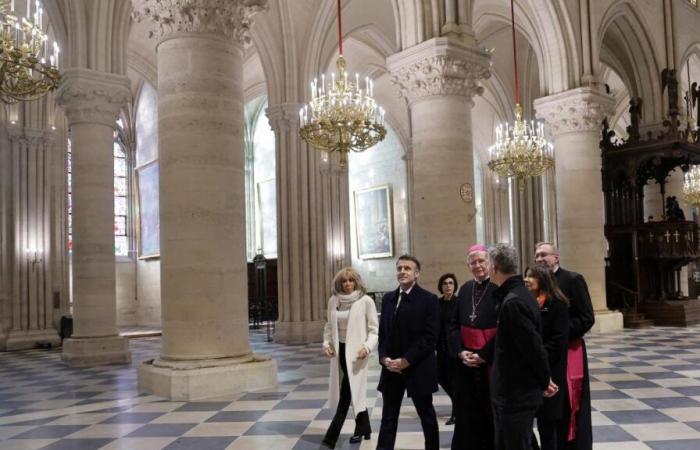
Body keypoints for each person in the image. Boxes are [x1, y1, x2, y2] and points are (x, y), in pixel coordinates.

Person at [466, 243, 556, 450]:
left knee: (514, 444)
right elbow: (507, 337)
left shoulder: (513, 301)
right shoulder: (517, 295)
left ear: (494, 268)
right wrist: (484, 355)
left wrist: (545, 380)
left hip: (515, 391)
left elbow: (533, 348)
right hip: (515, 390)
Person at [377, 255, 441, 450]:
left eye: (407, 268)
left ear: (417, 273)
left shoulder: (428, 300)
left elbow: (430, 338)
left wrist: (406, 360)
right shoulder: (388, 298)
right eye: (399, 268)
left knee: (427, 417)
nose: (402, 271)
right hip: (391, 369)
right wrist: (384, 358)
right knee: (388, 418)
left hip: (418, 367)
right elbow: (383, 334)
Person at [535, 242, 594, 450]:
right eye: (537, 256)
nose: (540, 259)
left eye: (544, 255)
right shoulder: (537, 284)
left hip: (570, 352)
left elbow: (587, 318)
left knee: (570, 406)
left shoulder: (572, 279)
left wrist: (559, 334)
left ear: (556, 257)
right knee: (548, 404)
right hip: (545, 352)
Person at [322, 267, 379, 449]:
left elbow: (374, 330)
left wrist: (367, 347)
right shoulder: (334, 301)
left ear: (356, 281)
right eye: (344, 281)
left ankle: (331, 437)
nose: (347, 284)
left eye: (351, 280)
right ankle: (365, 428)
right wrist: (327, 344)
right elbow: (329, 327)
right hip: (340, 351)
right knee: (352, 390)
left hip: (357, 354)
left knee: (346, 393)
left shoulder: (365, 301)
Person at [448, 244, 498, 450]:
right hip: (466, 361)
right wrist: (460, 352)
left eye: (481, 261)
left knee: (491, 410)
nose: (478, 265)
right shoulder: (466, 289)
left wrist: (485, 355)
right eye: (473, 262)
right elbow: (452, 326)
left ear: (489, 263)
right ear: (468, 265)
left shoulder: (498, 289)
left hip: (490, 362)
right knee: (467, 410)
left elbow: (505, 329)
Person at [524, 266, 570, 450]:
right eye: (525, 275)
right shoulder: (526, 301)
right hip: (531, 369)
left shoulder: (557, 303)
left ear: (542, 279)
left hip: (551, 370)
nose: (526, 279)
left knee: (547, 424)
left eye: (531, 276)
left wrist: (537, 356)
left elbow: (558, 341)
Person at [436, 273, 459, 426]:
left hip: (454, 348)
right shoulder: (437, 303)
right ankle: (459, 403)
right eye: (445, 283)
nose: (448, 286)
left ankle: (456, 413)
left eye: (451, 283)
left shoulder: (459, 303)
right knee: (441, 377)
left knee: (454, 381)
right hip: (440, 348)